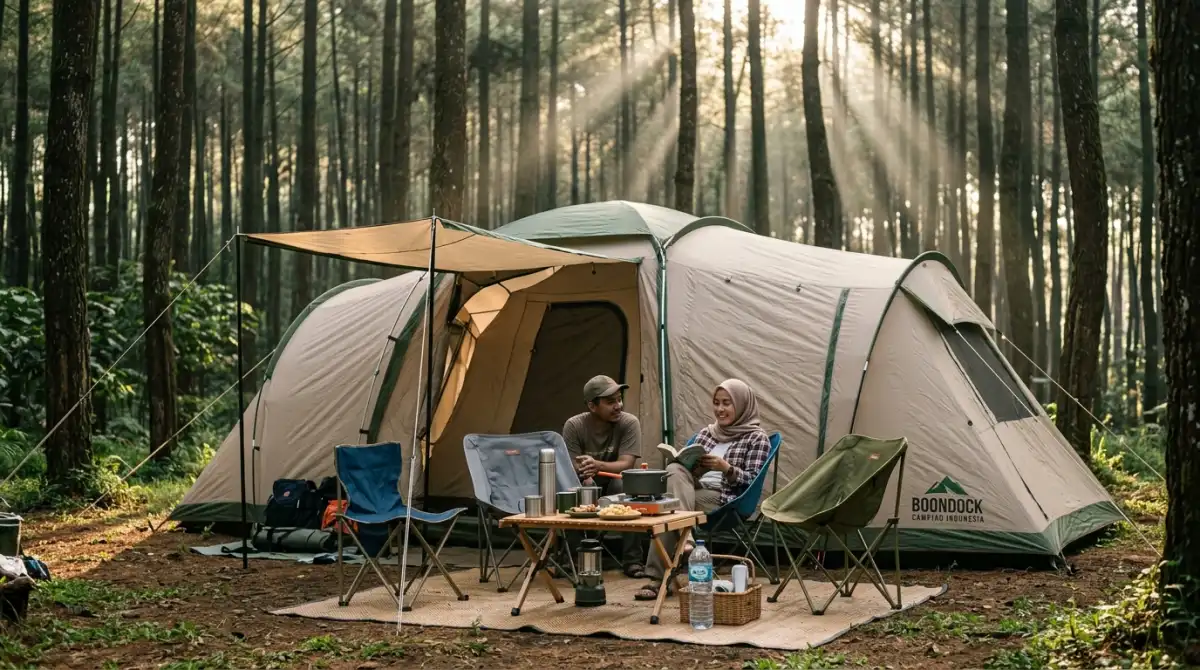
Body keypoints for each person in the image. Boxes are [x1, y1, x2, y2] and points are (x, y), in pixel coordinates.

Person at [633, 378, 771, 601]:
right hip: (694, 488)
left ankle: (658, 579)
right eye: (716, 403)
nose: (720, 409)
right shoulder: (706, 433)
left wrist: (726, 468)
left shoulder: (757, 438)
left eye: (727, 403)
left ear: (742, 404)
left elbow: (752, 481)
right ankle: (685, 538)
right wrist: (693, 466)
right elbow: (686, 470)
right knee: (674, 469)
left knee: (668, 507)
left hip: (727, 498)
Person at [562, 374, 645, 576]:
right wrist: (586, 474)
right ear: (592, 406)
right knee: (573, 490)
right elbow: (572, 466)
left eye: (619, 399)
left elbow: (626, 464)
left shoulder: (629, 423)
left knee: (627, 486)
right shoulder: (574, 426)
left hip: (615, 482)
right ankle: (573, 558)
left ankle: (633, 561)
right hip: (584, 482)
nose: (618, 405)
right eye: (610, 402)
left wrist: (597, 465)